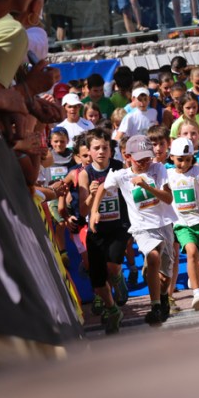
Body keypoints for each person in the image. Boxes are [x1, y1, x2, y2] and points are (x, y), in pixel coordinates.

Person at [91, 135, 176, 326]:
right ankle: (155, 306)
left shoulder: (158, 169)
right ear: (127, 156)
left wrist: (146, 185)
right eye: (140, 160)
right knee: (153, 256)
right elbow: (103, 187)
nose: (145, 163)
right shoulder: (121, 175)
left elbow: (168, 198)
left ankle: (163, 296)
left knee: (165, 277)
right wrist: (95, 211)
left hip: (164, 224)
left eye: (148, 158)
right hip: (141, 227)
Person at [78, 129, 130, 334]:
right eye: (96, 148)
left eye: (105, 147)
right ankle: (113, 310)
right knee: (98, 281)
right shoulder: (85, 174)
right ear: (89, 151)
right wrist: (91, 196)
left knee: (113, 264)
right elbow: (83, 211)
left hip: (119, 226)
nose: (101, 151)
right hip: (96, 229)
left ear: (110, 150)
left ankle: (118, 277)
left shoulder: (119, 167)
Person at [167, 137, 199, 311]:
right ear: (172, 157)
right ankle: (197, 293)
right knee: (191, 251)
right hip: (182, 224)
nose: (184, 164)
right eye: (180, 159)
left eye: (188, 159)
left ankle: (196, 279)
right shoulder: (168, 175)